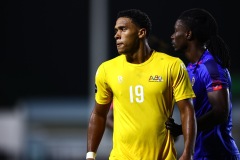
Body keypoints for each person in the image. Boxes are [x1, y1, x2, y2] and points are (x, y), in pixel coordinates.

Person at [86, 9, 197, 160]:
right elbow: (99, 114)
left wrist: (188, 152)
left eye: (123, 29)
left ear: (141, 33)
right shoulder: (106, 70)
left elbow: (187, 110)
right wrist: (90, 155)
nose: (116, 35)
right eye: (116, 30)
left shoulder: (172, 65)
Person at [166, 8, 240, 160]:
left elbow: (221, 112)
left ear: (188, 34)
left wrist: (183, 129)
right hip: (200, 154)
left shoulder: (211, 67)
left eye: (175, 31)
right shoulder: (188, 69)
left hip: (219, 155)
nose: (172, 36)